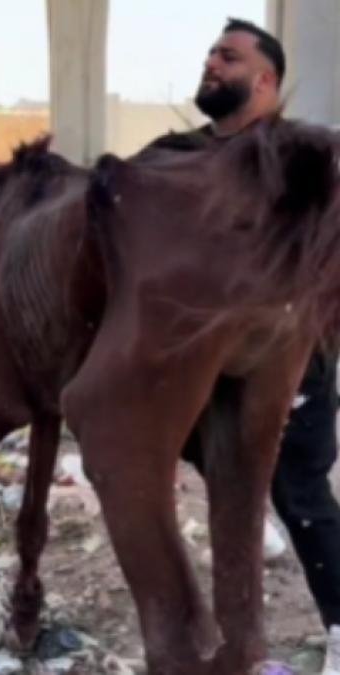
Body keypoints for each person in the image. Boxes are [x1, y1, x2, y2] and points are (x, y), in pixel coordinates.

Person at [142, 18, 340, 673]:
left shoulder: (304, 155)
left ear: (265, 79)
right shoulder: (175, 151)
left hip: (291, 363)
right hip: (203, 363)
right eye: (209, 53)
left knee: (301, 493)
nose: (211, 63)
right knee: (209, 467)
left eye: (228, 56)